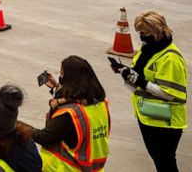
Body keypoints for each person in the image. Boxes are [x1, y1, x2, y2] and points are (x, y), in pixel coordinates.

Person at [117, 10, 186, 172]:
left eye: (143, 32)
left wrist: (140, 82)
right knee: (158, 158)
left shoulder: (170, 58)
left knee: (165, 162)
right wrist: (127, 73)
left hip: (165, 120)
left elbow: (169, 93)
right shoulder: (148, 48)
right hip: (147, 115)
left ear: (155, 31)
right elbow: (141, 73)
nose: (141, 36)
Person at [27, 55, 110, 172]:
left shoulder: (70, 114)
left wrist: (19, 126)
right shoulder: (101, 104)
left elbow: (45, 137)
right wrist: (56, 88)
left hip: (65, 168)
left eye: (62, 78)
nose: (61, 81)